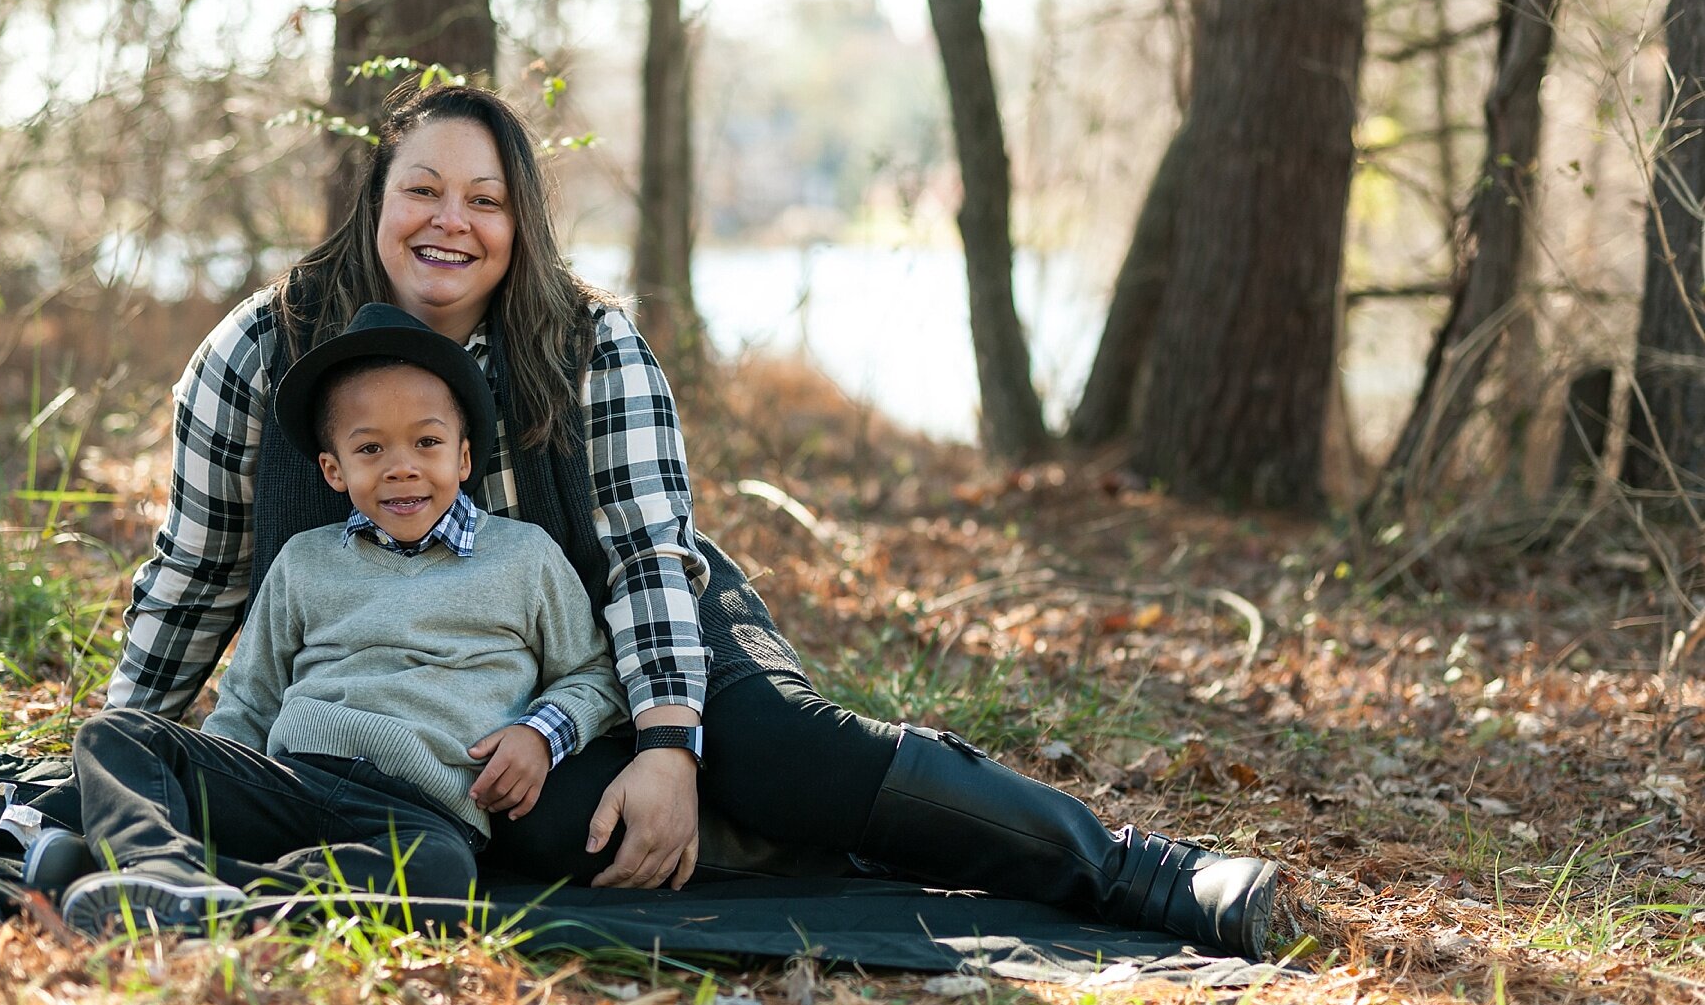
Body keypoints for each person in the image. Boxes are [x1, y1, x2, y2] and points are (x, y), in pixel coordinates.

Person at [105, 79, 1279, 958]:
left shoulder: (587, 345)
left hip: (637, 621)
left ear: (522, 226)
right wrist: (125, 735)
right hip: (472, 697)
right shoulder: (260, 351)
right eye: (421, 188)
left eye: (486, 199)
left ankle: (1135, 869)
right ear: (376, 202)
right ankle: (776, 828)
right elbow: (199, 569)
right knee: (566, 834)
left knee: (778, 755)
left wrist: (669, 744)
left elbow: (642, 558)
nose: (448, 221)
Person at [62, 304, 626, 934]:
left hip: (420, 811)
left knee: (440, 878)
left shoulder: (524, 557)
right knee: (117, 736)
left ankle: (215, 890)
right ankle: (160, 867)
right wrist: (221, 788)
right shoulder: (304, 562)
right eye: (370, 448)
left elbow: (595, 674)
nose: (402, 465)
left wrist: (539, 735)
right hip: (294, 777)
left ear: (464, 459)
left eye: (428, 442)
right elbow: (249, 701)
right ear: (335, 470)